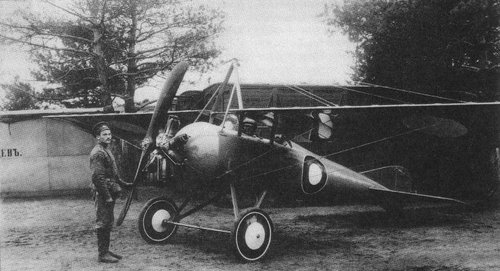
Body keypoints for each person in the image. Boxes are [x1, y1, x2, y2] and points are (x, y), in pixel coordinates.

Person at [90, 122, 132, 263]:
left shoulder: (106, 149)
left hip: (109, 190)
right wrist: (107, 196)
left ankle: (106, 250)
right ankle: (102, 254)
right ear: (98, 137)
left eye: (109, 134)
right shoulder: (98, 153)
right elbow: (97, 177)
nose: (108, 137)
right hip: (103, 192)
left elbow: (113, 173)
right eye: (104, 134)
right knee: (103, 222)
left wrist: (124, 183)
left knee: (108, 222)